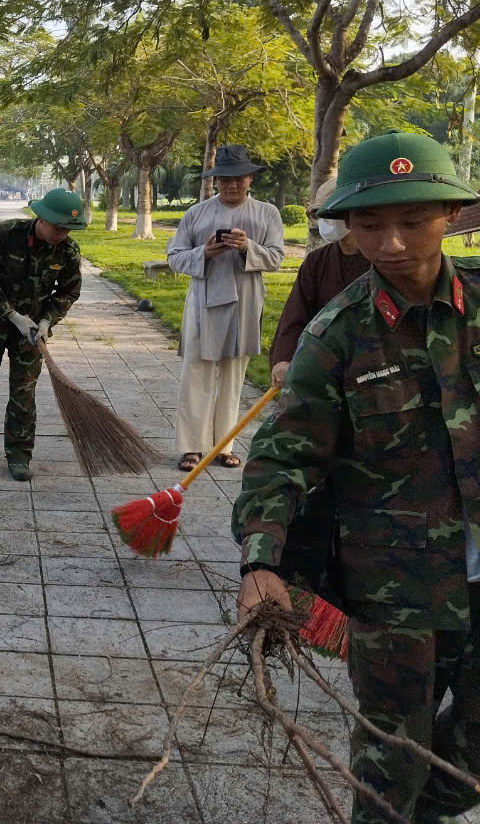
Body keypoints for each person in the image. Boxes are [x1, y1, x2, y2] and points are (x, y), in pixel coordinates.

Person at [232, 131, 480, 824]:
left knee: (467, 760)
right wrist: (261, 559)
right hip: (395, 590)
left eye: (413, 220)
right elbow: (283, 457)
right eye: (370, 225)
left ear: (452, 215)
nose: (393, 243)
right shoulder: (337, 335)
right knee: (390, 757)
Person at [167, 144, 284, 471]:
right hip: (204, 300)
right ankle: (191, 448)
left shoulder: (266, 213)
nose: (232, 185)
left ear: (250, 178)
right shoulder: (197, 213)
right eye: (225, 179)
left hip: (244, 300)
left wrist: (248, 247)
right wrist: (203, 253)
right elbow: (174, 256)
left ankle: (224, 446)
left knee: (233, 377)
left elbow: (275, 258)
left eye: (239, 178)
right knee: (196, 374)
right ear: (215, 180)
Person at [0, 188, 85, 481]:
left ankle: (19, 455)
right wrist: (11, 315)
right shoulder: (5, 234)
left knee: (23, 392)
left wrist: (47, 321)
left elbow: (69, 291)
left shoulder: (68, 251)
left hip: (31, 332)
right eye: (59, 227)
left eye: (69, 229)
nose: (63, 234)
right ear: (40, 218)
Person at [267, 178, 370, 389]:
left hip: (370, 371)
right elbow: (295, 314)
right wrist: (283, 359)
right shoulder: (316, 262)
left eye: (335, 213)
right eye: (323, 214)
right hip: (321, 369)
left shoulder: (380, 260)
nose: (329, 220)